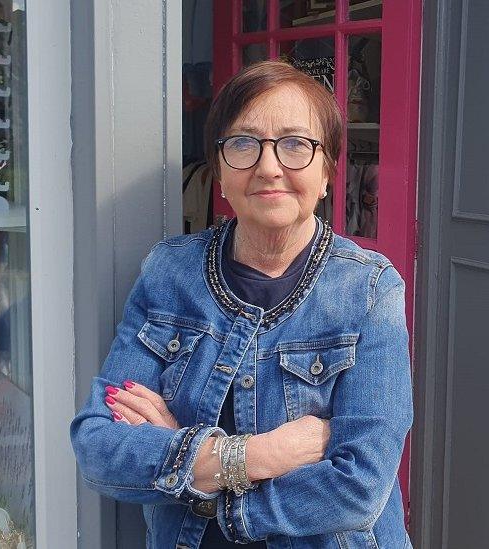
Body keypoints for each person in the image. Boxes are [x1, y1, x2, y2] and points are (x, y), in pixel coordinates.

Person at [69, 60, 414, 549]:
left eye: (296, 144)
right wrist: (261, 454)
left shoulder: (369, 290)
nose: (269, 166)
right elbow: (98, 446)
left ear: (328, 172)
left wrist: (196, 476)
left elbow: (360, 487)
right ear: (221, 171)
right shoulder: (170, 274)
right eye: (244, 144)